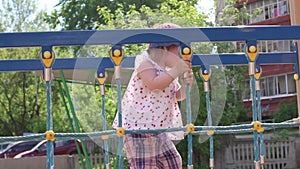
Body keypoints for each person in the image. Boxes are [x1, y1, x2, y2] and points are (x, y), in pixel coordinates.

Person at [113, 23, 193, 169]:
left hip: (159, 130)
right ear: (164, 48)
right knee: (144, 166)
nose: (182, 55)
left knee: (174, 162)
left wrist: (186, 84)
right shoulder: (145, 63)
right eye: (179, 50)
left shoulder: (167, 73)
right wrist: (176, 71)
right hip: (138, 130)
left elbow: (176, 96)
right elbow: (154, 85)